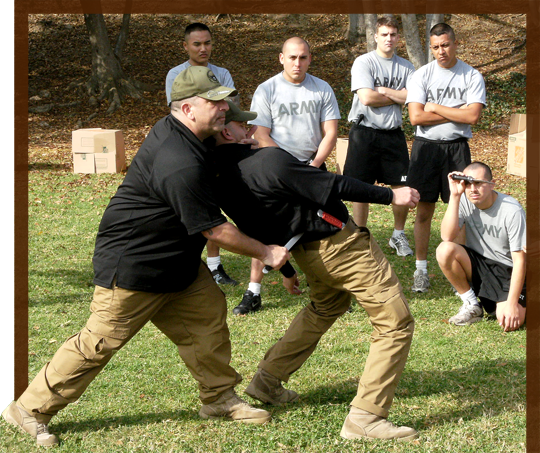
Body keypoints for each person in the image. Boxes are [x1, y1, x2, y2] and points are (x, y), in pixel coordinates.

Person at [2, 67, 290, 447]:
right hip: (135, 263)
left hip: (177, 263)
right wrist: (267, 251)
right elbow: (215, 231)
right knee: (98, 343)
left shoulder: (189, 133)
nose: (224, 109)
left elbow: (220, 155)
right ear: (188, 108)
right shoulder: (178, 160)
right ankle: (29, 409)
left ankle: (218, 398)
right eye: (215, 103)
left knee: (206, 318)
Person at [210, 103, 421, 442]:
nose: (251, 130)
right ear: (225, 132)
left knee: (326, 307)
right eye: (242, 125)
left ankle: (266, 381)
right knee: (395, 322)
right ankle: (366, 417)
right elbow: (332, 185)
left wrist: (289, 268)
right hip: (342, 246)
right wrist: (390, 194)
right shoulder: (268, 160)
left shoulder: (219, 178)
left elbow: (252, 226)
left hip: (306, 254)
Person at [233, 36, 341, 315]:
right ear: (281, 58)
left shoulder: (322, 89)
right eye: (292, 57)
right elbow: (261, 134)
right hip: (276, 170)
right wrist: (287, 167)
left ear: (310, 59)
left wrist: (314, 165)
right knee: (266, 229)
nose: (297, 62)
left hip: (313, 168)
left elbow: (330, 132)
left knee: (324, 229)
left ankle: (327, 290)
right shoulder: (267, 90)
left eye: (303, 57)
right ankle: (253, 292)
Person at [406, 22, 486, 292]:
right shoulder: (421, 75)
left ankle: (460, 271)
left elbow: (473, 116)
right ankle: (421, 271)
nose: (441, 51)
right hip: (426, 148)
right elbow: (416, 117)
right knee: (424, 211)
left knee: (461, 211)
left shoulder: (471, 75)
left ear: (455, 43)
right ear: (431, 48)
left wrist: (437, 107)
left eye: (446, 45)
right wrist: (456, 111)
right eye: (436, 47)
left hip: (457, 148)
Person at [165, 22, 239, 286]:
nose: (203, 48)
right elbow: (180, 113)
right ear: (186, 46)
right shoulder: (175, 74)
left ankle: (214, 266)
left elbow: (230, 110)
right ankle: (183, 261)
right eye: (197, 44)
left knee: (211, 206)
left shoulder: (222, 73)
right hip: (190, 146)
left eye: (207, 43)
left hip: (217, 146)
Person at [343, 15, 415, 257]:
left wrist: (384, 90)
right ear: (375, 36)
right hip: (364, 132)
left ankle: (398, 235)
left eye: (393, 34)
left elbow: (412, 98)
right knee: (359, 187)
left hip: (393, 134)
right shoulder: (364, 62)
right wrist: (397, 95)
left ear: (398, 37)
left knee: (402, 184)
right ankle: (360, 235)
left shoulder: (406, 67)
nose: (389, 38)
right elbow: (366, 98)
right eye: (384, 34)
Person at [436, 162, 526, 330]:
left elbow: (520, 260)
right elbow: (447, 236)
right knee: (444, 249)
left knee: (509, 321)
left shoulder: (512, 210)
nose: (472, 189)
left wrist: (513, 303)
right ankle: (471, 304)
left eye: (478, 183)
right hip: (480, 264)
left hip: (507, 269)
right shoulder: (463, 199)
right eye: (468, 183)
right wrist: (455, 196)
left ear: (492, 184)